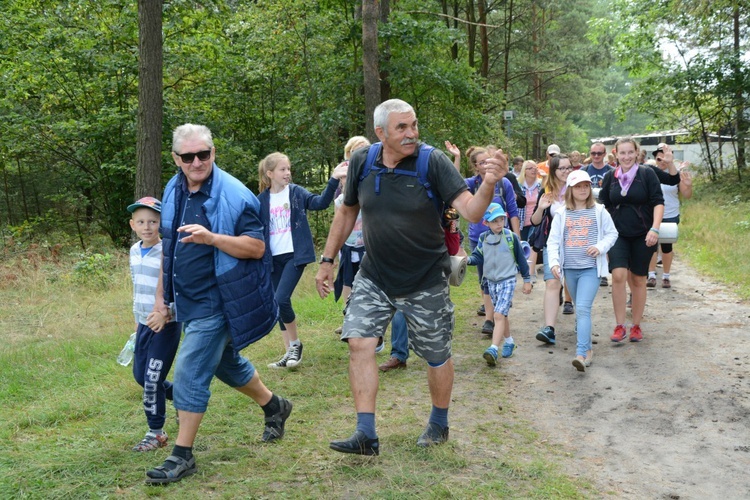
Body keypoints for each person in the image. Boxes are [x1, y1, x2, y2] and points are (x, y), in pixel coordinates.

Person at [315, 98, 504, 455]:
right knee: (359, 342)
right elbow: (347, 212)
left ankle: (439, 422)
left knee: (435, 354)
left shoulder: (432, 162)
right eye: (402, 128)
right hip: (375, 275)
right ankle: (365, 434)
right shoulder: (362, 162)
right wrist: (327, 259)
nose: (411, 133)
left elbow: (472, 211)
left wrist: (489, 184)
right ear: (380, 132)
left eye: (414, 125)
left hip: (425, 278)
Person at [145, 124, 292, 485]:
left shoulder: (235, 194)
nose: (197, 162)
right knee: (225, 363)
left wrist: (212, 238)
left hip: (221, 298)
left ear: (213, 152)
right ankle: (275, 406)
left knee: (190, 371)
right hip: (186, 300)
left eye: (204, 154)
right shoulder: (173, 187)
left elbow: (258, 248)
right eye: (189, 156)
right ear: (176, 159)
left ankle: (181, 455)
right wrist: (162, 299)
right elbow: (170, 248)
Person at [258, 152, 348, 368]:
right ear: (270, 173)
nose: (287, 173)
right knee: (276, 304)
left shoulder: (296, 193)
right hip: (271, 259)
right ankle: (288, 352)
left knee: (281, 299)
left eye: (288, 169)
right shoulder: (261, 201)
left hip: (294, 256)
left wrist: (334, 178)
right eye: (282, 169)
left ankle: (296, 346)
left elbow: (319, 203)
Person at [546, 171, 618, 372]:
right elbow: (552, 242)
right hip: (570, 269)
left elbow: (612, 233)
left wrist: (600, 247)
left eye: (586, 186)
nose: (582, 189)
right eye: (578, 186)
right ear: (570, 189)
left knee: (584, 309)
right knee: (579, 309)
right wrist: (553, 263)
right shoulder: (562, 213)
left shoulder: (600, 211)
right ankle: (588, 349)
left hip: (590, 269)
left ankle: (581, 353)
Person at [127, 196, 181, 452]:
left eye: (153, 221)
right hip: (143, 325)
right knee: (142, 377)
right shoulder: (134, 251)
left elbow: (177, 290)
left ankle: (156, 433)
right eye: (141, 222)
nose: (147, 227)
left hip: (166, 325)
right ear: (132, 225)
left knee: (152, 379)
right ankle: (182, 397)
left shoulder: (168, 253)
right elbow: (137, 288)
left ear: (161, 224)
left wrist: (166, 313)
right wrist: (138, 322)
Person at [598, 137, 664, 343]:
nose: (626, 157)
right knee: (618, 275)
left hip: (643, 235)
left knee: (638, 279)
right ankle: (620, 326)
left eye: (630, 152)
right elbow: (602, 205)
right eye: (622, 153)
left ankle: (636, 325)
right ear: (616, 154)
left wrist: (655, 228)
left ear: (637, 153)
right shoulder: (610, 177)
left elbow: (658, 202)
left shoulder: (647, 174)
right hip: (616, 235)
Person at [466, 203, 532, 366]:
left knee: (497, 315)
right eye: (494, 221)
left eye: (501, 219)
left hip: (508, 281)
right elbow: (477, 257)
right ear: (486, 223)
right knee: (502, 314)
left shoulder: (511, 237)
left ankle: (493, 348)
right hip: (491, 282)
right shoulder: (483, 239)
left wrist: (527, 280)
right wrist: (466, 260)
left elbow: (521, 260)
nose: (499, 224)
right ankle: (509, 341)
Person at [465, 146, 520, 333]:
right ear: (475, 166)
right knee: (485, 279)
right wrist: (456, 157)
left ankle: (498, 315)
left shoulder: (504, 184)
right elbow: (452, 185)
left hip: (502, 238)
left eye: (489, 161)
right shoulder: (471, 184)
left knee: (502, 277)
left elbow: (512, 211)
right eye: (482, 162)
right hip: (479, 238)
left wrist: (517, 238)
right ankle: (490, 319)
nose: (486, 165)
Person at [531, 154, 573, 345]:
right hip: (552, 245)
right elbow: (534, 221)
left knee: (576, 285)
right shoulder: (546, 192)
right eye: (562, 168)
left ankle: (582, 324)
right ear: (553, 171)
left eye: (568, 167)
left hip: (575, 245)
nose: (566, 171)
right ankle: (549, 328)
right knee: (552, 284)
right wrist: (541, 208)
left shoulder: (578, 189)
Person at [647, 147, 692, 288]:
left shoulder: (676, 175)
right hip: (652, 214)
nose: (662, 162)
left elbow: (687, 195)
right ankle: (651, 275)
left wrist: (688, 186)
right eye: (659, 159)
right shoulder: (649, 172)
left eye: (666, 159)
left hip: (670, 214)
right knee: (651, 245)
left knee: (666, 246)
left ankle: (666, 276)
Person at [584, 142, 615, 287]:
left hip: (607, 210)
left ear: (604, 154)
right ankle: (591, 270)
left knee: (605, 240)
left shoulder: (612, 171)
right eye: (593, 153)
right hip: (587, 210)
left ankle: (604, 272)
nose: (596, 156)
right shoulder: (584, 171)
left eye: (599, 153)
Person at [518, 160, 543, 281]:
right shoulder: (518, 184)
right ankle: (524, 271)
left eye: (535, 167)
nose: (533, 170)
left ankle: (531, 273)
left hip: (536, 221)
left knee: (532, 246)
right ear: (524, 171)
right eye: (529, 168)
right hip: (521, 221)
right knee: (522, 246)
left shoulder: (541, 184)